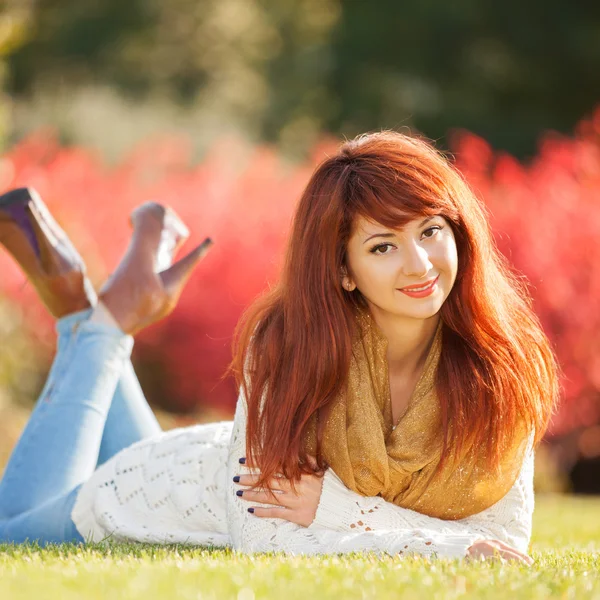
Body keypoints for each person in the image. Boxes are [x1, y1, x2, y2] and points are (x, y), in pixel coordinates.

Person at [0, 131, 558, 564]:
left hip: (215, 461)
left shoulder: (499, 367)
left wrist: (335, 508)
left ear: (459, 231)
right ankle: (97, 321)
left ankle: (90, 312)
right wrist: (445, 544)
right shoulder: (290, 348)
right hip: (156, 495)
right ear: (343, 270)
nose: (419, 264)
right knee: (7, 536)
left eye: (431, 230)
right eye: (383, 245)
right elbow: (263, 535)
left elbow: (502, 540)